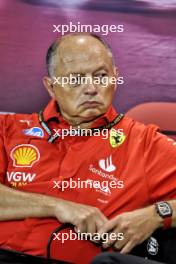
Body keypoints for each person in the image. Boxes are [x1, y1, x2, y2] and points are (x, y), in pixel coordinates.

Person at [0, 33, 176, 264]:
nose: (91, 88)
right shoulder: (8, 130)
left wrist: (156, 214)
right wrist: (56, 207)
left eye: (101, 76)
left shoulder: (145, 144)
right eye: (75, 79)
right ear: (51, 87)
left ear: (115, 78)